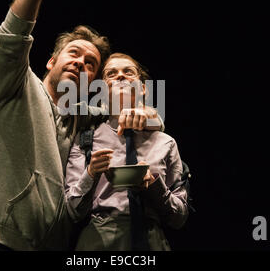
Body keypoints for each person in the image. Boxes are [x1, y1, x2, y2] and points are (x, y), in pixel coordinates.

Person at [0, 0, 162, 251]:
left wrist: (146, 111)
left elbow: (134, 112)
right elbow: (11, 37)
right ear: (52, 61)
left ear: (93, 82)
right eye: (73, 54)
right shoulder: (17, 84)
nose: (80, 62)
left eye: (91, 62)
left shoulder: (82, 115)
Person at [65, 53, 189, 251]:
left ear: (143, 89)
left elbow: (179, 217)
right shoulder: (85, 140)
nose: (120, 76)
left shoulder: (166, 143)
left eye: (128, 72)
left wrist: (155, 187)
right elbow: (71, 211)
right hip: (98, 242)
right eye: (111, 74)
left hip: (152, 242)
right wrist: (91, 173)